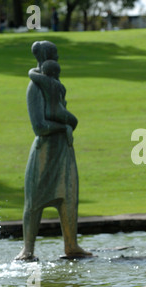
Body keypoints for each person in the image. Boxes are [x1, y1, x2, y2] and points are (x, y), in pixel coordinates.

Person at [15, 41, 91, 261]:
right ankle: (27, 249)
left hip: (63, 149)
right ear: (46, 56)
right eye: (55, 55)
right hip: (45, 151)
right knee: (35, 200)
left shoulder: (55, 84)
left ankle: (71, 245)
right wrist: (64, 126)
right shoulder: (35, 87)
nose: (57, 59)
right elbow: (39, 126)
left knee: (69, 195)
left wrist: (66, 125)